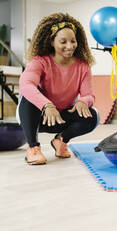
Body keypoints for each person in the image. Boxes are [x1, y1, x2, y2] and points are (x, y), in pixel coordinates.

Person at [18, 13, 99, 165]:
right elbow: (26, 85)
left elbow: (89, 95)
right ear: (51, 42)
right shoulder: (40, 62)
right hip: (38, 117)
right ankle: (33, 148)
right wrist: (47, 105)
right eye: (63, 41)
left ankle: (61, 140)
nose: (70, 46)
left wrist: (83, 101)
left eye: (73, 41)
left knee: (93, 116)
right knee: (30, 93)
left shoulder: (83, 66)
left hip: (61, 117)